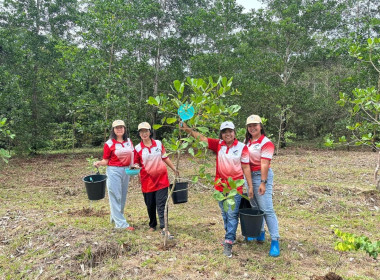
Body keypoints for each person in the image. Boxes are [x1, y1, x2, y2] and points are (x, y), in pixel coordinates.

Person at [181, 121, 254, 258]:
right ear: (221, 134)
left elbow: (245, 167)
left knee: (232, 214)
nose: (228, 134)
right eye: (225, 132)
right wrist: (187, 129)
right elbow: (201, 138)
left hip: (234, 188)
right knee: (225, 213)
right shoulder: (218, 145)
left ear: (234, 132)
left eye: (230, 131)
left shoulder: (242, 147)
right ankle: (229, 235)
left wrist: (250, 186)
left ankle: (228, 241)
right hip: (220, 186)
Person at [133, 122, 178, 238]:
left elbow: (165, 157)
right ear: (139, 133)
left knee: (162, 203)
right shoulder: (137, 148)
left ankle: (164, 227)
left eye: (146, 131)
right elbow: (136, 163)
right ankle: (152, 225)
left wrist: (174, 168)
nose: (144, 133)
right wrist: (135, 168)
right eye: (141, 131)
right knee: (150, 204)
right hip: (147, 181)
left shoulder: (158, 144)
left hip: (161, 179)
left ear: (150, 131)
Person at [244, 114, 280, 257]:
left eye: (255, 125)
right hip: (249, 176)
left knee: (267, 208)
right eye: (250, 126)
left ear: (260, 126)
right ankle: (260, 233)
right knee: (255, 206)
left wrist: (263, 183)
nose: (252, 128)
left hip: (261, 176)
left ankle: (275, 240)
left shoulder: (266, 143)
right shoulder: (247, 141)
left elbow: (264, 163)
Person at [94, 120, 135, 231]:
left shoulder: (129, 141)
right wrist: (99, 163)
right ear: (113, 130)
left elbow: (132, 156)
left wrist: (134, 168)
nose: (119, 129)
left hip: (126, 171)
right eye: (117, 128)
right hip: (114, 171)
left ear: (124, 129)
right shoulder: (109, 144)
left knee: (122, 196)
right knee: (115, 196)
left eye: (121, 127)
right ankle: (121, 225)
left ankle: (115, 217)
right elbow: (106, 160)